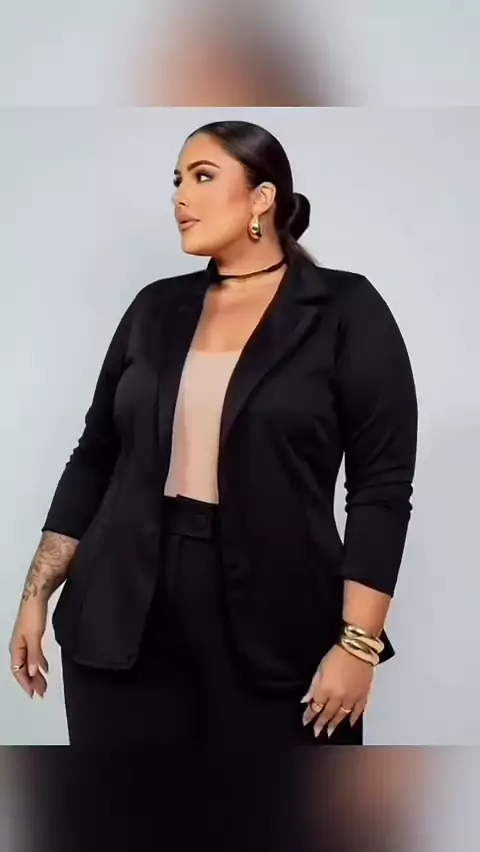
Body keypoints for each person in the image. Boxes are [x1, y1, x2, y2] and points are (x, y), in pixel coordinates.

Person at [9, 120, 418, 746]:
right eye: (177, 180)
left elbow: (381, 488)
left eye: (203, 177)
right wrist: (36, 593)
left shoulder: (345, 309)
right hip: (122, 603)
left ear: (262, 198)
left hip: (278, 614)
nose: (181, 196)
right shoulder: (154, 308)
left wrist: (358, 644)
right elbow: (95, 455)